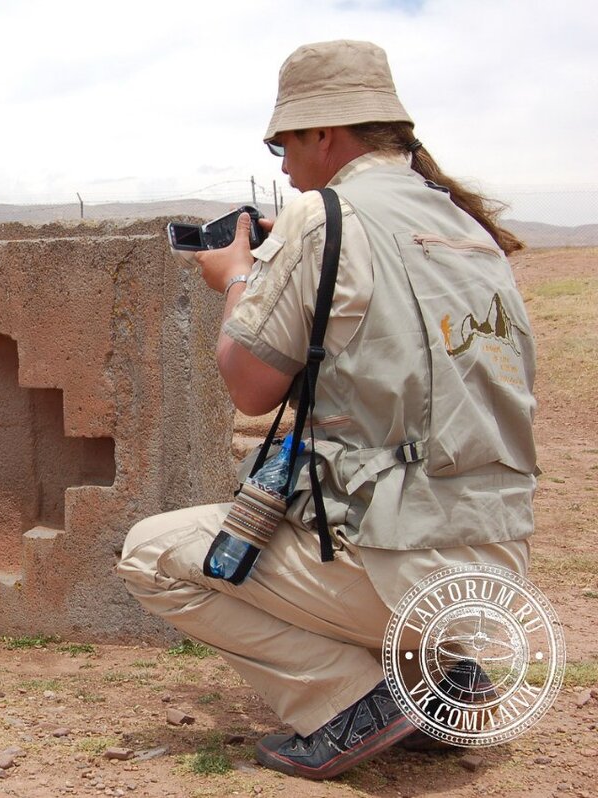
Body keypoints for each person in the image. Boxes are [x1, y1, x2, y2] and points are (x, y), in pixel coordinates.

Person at [118, 40, 536, 779]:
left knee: (152, 553)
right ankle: (438, 673)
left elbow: (249, 386)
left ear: (323, 134)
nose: (281, 166)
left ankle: (354, 698)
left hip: (397, 568)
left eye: (284, 144)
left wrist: (242, 278)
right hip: (494, 568)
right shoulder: (468, 228)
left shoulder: (323, 217)